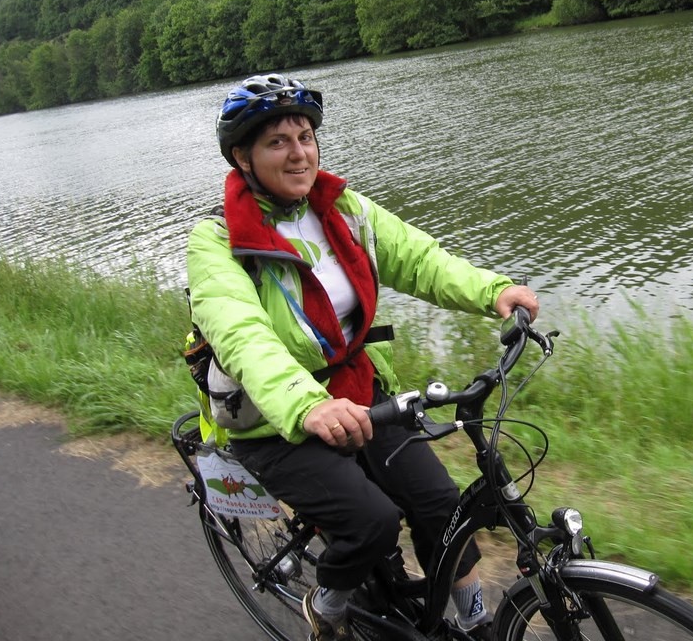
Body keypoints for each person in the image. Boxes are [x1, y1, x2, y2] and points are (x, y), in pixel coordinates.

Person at [186, 74, 540, 641]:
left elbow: (418, 259)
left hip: (360, 393)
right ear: (242, 158)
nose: (299, 152)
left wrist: (492, 292)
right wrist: (307, 406)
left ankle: (476, 625)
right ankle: (326, 612)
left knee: (441, 502)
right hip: (277, 418)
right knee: (372, 523)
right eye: (278, 142)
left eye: (305, 136)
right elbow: (243, 335)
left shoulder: (342, 208)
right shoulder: (216, 241)